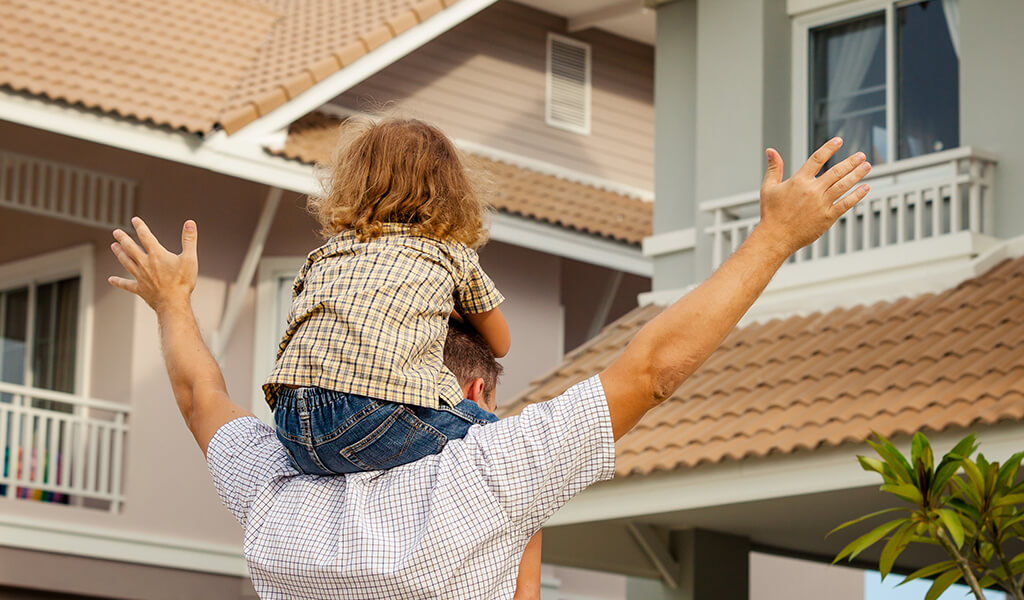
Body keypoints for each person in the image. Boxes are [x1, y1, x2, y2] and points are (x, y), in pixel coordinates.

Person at [107, 138, 870, 599]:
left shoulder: (277, 490)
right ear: (469, 391)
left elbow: (199, 395)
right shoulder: (485, 476)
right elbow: (650, 372)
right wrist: (774, 238)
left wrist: (175, 302)